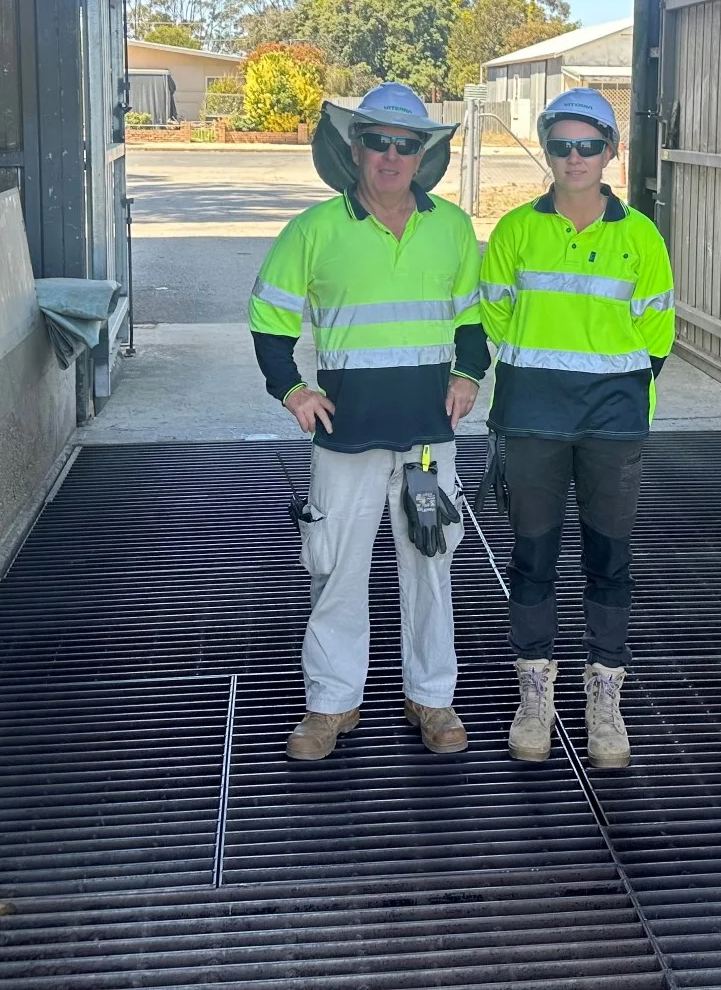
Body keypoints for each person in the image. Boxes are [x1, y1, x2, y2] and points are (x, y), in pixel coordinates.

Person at [248, 82, 489, 761]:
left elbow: (472, 323)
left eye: (404, 143)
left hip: (427, 441)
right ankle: (330, 707)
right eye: (376, 140)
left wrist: (469, 377)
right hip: (346, 437)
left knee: (432, 568)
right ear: (354, 149)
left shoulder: (452, 229)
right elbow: (270, 321)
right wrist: (293, 390)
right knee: (337, 572)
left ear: (423, 153)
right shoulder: (314, 231)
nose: (389, 154)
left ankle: (432, 699)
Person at [477, 87, 674, 770]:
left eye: (589, 145)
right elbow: (492, 319)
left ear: (612, 152)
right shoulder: (515, 232)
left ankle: (604, 695)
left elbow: (656, 336)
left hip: (612, 426)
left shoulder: (641, 237)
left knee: (608, 562)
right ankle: (536, 694)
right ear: (548, 152)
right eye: (561, 145)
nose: (575, 157)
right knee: (532, 560)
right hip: (532, 421)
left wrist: (608, 390)